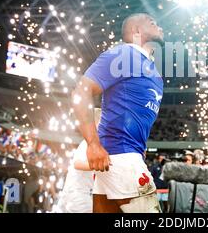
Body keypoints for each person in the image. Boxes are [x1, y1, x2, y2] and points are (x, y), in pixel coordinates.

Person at [72, 13, 164, 213]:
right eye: (153, 23)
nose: (160, 27)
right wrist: (93, 144)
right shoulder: (124, 55)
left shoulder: (152, 70)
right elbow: (82, 91)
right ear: (137, 31)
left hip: (121, 159)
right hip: (123, 159)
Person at [54, 108, 101, 213]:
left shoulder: (95, 144)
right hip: (77, 195)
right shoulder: (88, 144)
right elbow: (77, 164)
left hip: (79, 194)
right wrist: (98, 165)